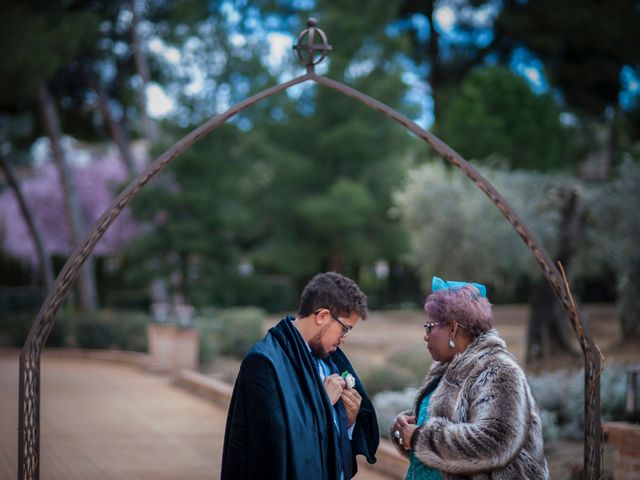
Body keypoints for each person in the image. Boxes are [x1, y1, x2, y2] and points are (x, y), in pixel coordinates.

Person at [221, 272, 379, 479]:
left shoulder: (330, 359)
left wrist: (347, 420)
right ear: (322, 316)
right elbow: (272, 447)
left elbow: (327, 436)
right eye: (345, 329)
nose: (344, 339)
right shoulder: (264, 363)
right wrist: (322, 401)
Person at [391, 276, 549, 480]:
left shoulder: (497, 370)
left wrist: (422, 437)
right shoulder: (446, 369)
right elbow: (445, 422)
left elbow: (495, 441)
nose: (426, 335)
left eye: (429, 326)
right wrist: (404, 427)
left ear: (453, 328)